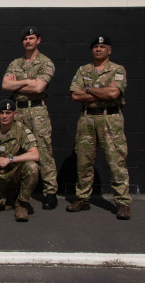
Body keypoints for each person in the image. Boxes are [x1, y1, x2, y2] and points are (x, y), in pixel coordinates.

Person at [68, 36, 131, 220]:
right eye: (95, 46)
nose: (98, 49)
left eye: (102, 47)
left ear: (109, 50)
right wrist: (100, 93)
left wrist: (88, 89)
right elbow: (75, 95)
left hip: (110, 119)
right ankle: (83, 198)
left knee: (116, 161)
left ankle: (122, 203)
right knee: (84, 161)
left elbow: (114, 93)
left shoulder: (118, 69)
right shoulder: (83, 70)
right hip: (87, 119)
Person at [2, 27, 58, 210]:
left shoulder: (45, 62)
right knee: (16, 149)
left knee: (43, 150)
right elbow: (5, 85)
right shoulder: (15, 63)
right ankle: (16, 191)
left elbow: (39, 88)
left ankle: (50, 192)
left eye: (31, 38)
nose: (28, 41)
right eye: (25, 38)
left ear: (38, 40)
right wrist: (29, 82)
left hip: (37, 112)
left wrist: (17, 84)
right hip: (18, 111)